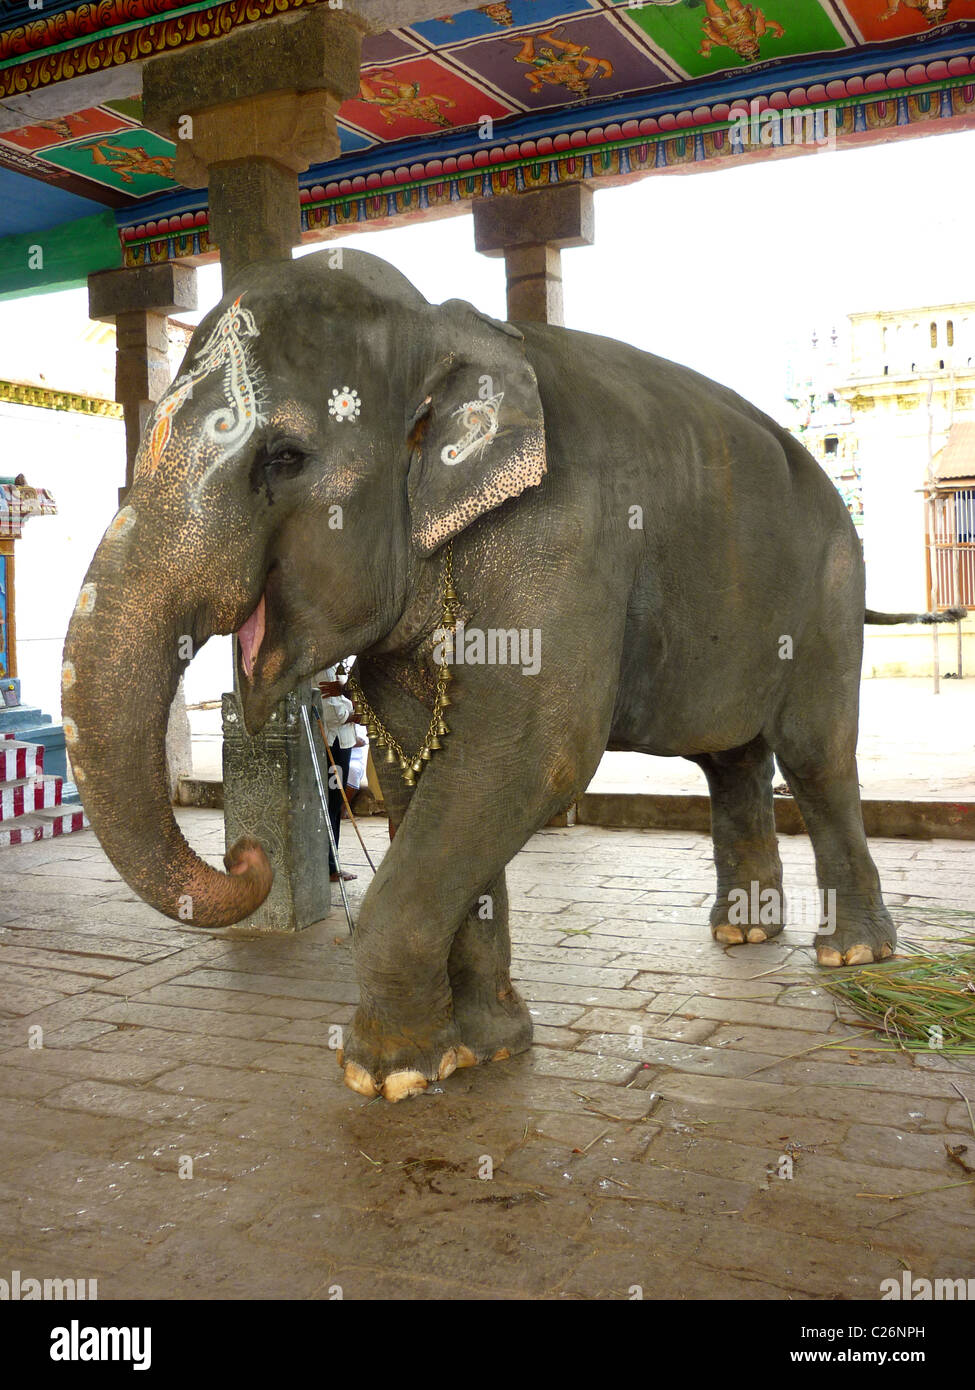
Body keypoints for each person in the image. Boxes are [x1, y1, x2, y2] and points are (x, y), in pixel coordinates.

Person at [316, 663, 357, 882]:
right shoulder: (323, 669)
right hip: (335, 745)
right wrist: (354, 714)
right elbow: (331, 713)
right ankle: (330, 866)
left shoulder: (331, 669)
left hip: (342, 742)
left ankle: (332, 862)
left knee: (335, 802)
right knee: (332, 803)